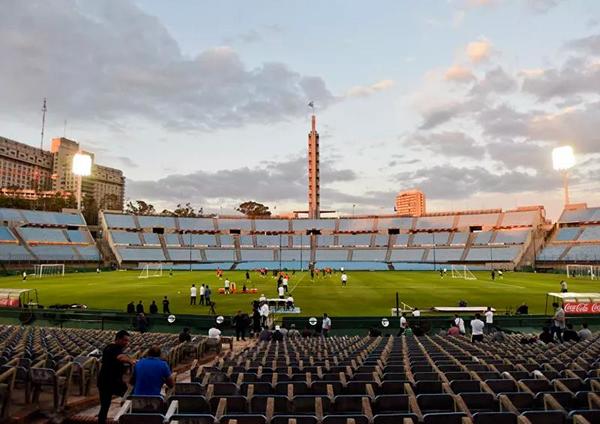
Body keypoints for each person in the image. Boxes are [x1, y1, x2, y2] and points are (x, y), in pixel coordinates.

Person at [97, 330, 135, 424]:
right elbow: (120, 357)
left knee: (129, 398)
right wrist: (131, 361)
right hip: (107, 382)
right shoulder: (112, 348)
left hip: (112, 381)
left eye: (127, 341)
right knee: (130, 397)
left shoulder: (115, 348)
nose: (126, 343)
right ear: (118, 339)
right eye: (125, 340)